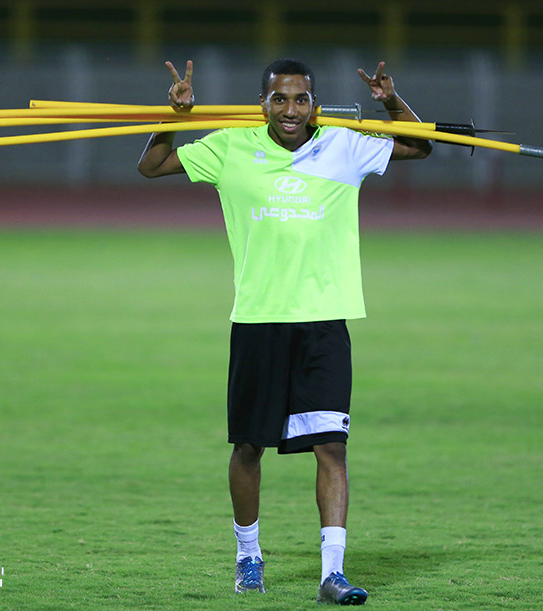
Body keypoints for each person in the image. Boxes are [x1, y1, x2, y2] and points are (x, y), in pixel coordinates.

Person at [138, 57, 431, 605]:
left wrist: (391, 101)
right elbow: (152, 165)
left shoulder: (344, 146)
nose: (290, 110)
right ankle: (248, 555)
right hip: (259, 319)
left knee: (332, 448)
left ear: (314, 104)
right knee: (250, 447)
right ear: (263, 103)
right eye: (279, 99)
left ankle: (332, 574)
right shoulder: (231, 147)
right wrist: (175, 116)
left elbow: (418, 145)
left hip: (325, 320)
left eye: (301, 99)